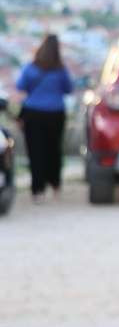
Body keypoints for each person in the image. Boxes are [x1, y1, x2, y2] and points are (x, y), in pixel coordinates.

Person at [16, 34, 73, 203]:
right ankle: (55, 184)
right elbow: (68, 89)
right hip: (55, 113)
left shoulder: (30, 67)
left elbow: (21, 86)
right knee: (54, 149)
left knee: (35, 151)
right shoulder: (60, 69)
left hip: (33, 112)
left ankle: (37, 190)